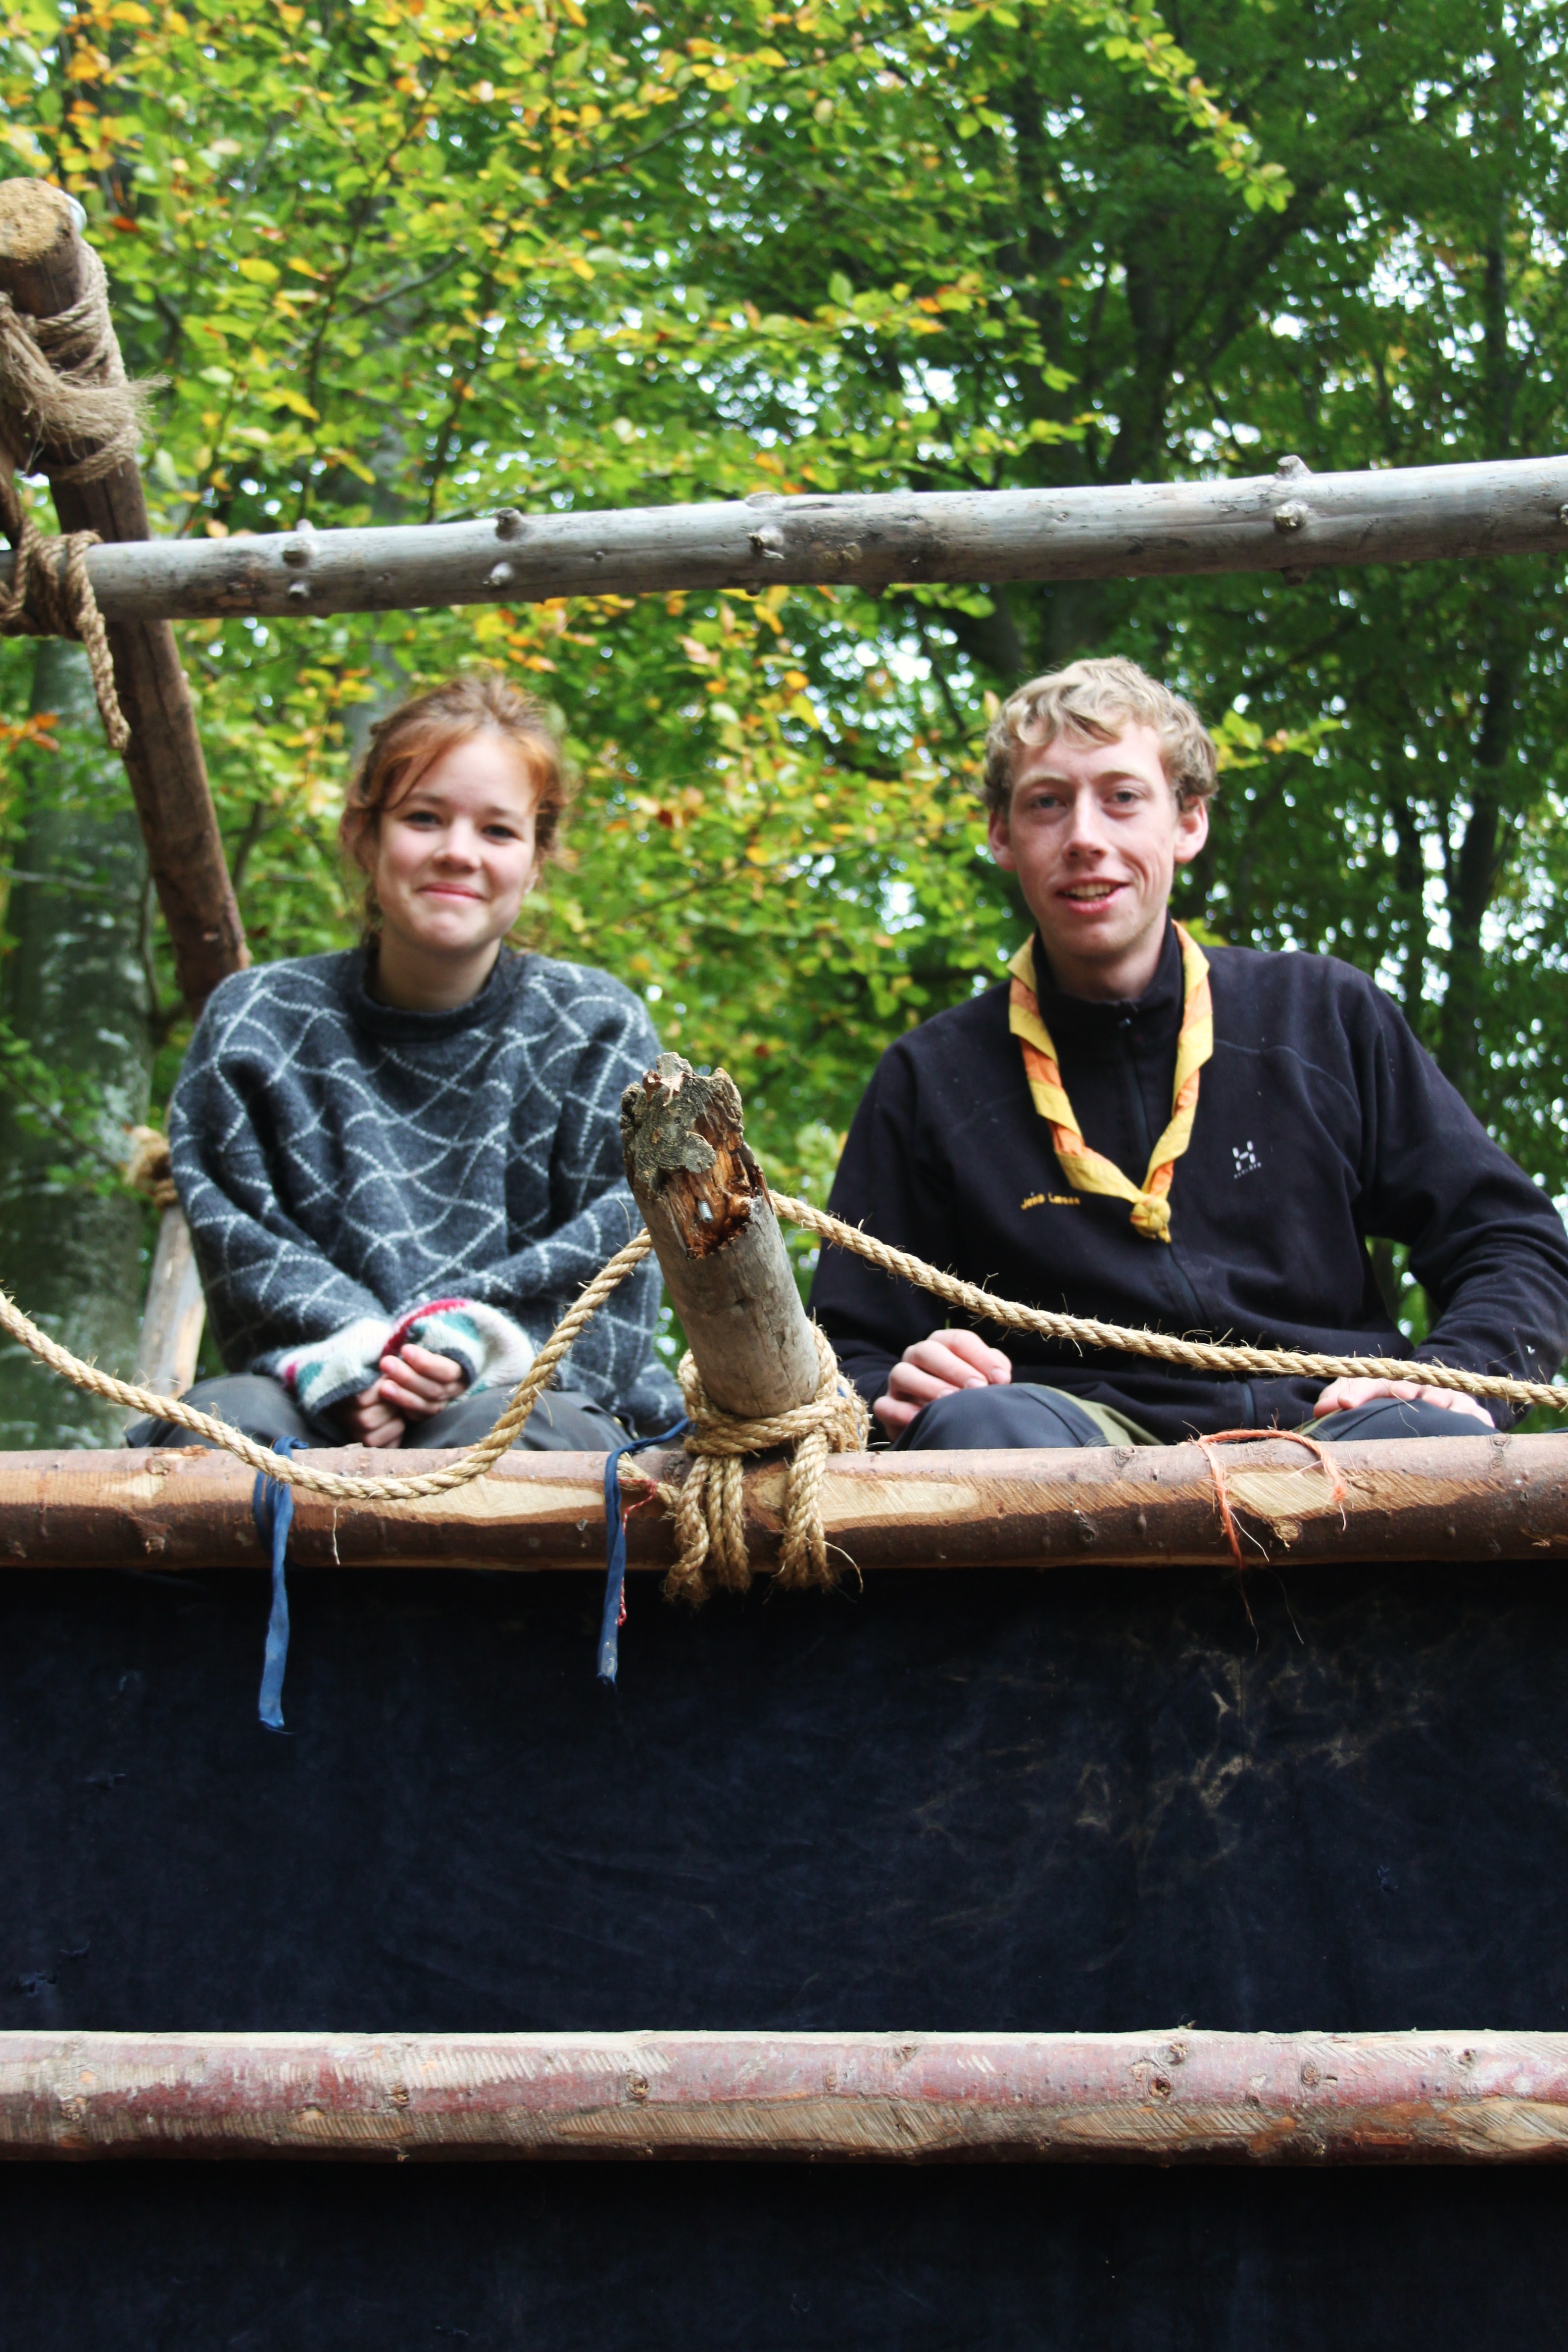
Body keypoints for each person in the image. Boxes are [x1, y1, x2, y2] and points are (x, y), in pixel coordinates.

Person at [811, 657, 1568, 1451]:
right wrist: (899, 1388)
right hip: (1064, 1449)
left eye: (1123, 797)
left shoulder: (1322, 1015)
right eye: (1047, 803)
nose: (1085, 838)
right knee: (977, 1425)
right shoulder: (931, 1080)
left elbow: (1512, 1241)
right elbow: (846, 1354)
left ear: (1189, 822)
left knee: (1423, 1437)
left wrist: (1458, 1373)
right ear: (1003, 834)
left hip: (1333, 1427)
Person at [128, 671, 678, 1454]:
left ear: (536, 860)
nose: (458, 853)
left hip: (538, 1397)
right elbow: (241, 1240)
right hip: (307, 1390)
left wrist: (467, 1348)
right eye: (424, 818)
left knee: (500, 1437)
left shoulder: (596, 1028)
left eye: (498, 831)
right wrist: (354, 1363)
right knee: (220, 1426)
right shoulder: (259, 1023)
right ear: (366, 835)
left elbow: (619, 1258)